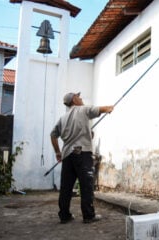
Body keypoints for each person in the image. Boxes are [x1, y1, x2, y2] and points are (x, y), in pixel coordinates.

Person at [50, 92, 114, 224]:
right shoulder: (83, 109)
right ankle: (88, 216)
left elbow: (53, 135)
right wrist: (109, 108)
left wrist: (57, 152)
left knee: (66, 187)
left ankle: (64, 215)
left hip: (67, 155)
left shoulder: (63, 118)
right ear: (74, 99)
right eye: (79, 97)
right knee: (86, 186)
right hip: (82, 153)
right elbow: (100, 109)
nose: (81, 98)